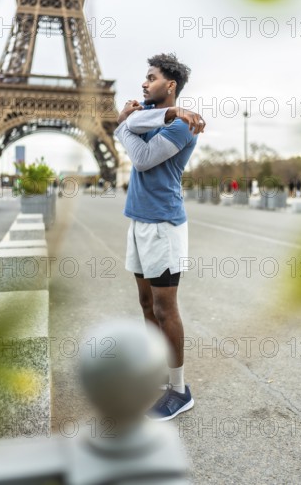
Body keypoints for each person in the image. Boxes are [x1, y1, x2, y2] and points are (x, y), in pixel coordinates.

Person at [114, 53, 205, 421]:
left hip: (163, 226)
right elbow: (133, 126)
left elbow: (143, 158)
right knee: (145, 304)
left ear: (169, 85)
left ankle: (179, 390)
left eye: (150, 78)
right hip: (137, 221)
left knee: (165, 309)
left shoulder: (185, 127)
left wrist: (123, 125)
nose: (143, 83)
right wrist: (157, 115)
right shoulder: (165, 117)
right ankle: (158, 370)